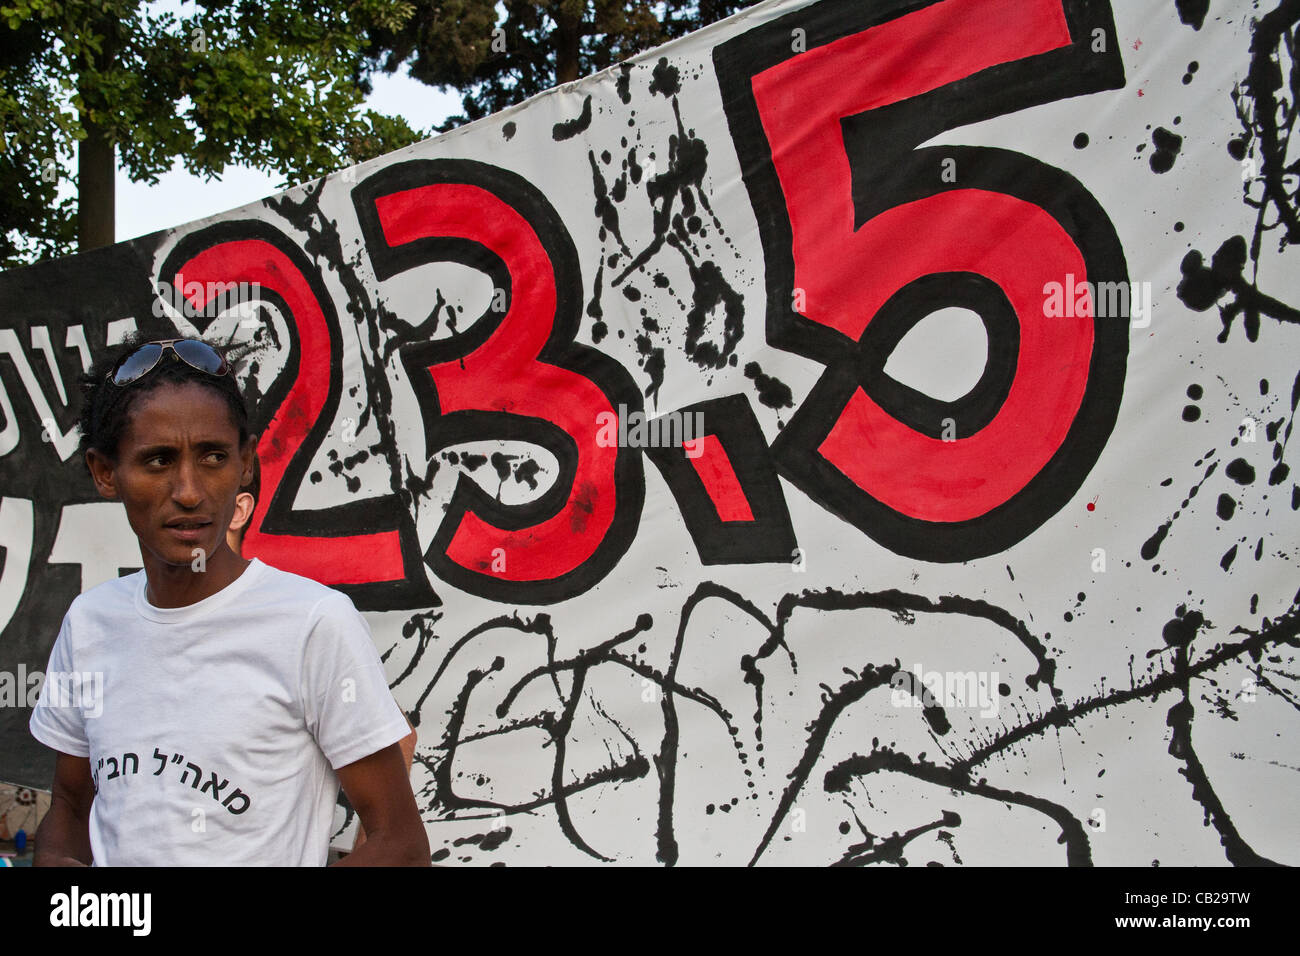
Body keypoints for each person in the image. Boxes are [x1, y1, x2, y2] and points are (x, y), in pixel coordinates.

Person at [29, 336, 429, 866]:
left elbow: (399, 845)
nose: (190, 490)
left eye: (214, 456)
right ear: (105, 472)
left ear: (245, 464)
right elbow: (72, 805)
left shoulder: (311, 623)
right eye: (158, 461)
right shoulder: (89, 623)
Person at [223, 458, 419, 854]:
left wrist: (368, 850)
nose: (183, 494)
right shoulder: (109, 617)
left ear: (239, 509)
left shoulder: (293, 616)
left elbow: (399, 737)